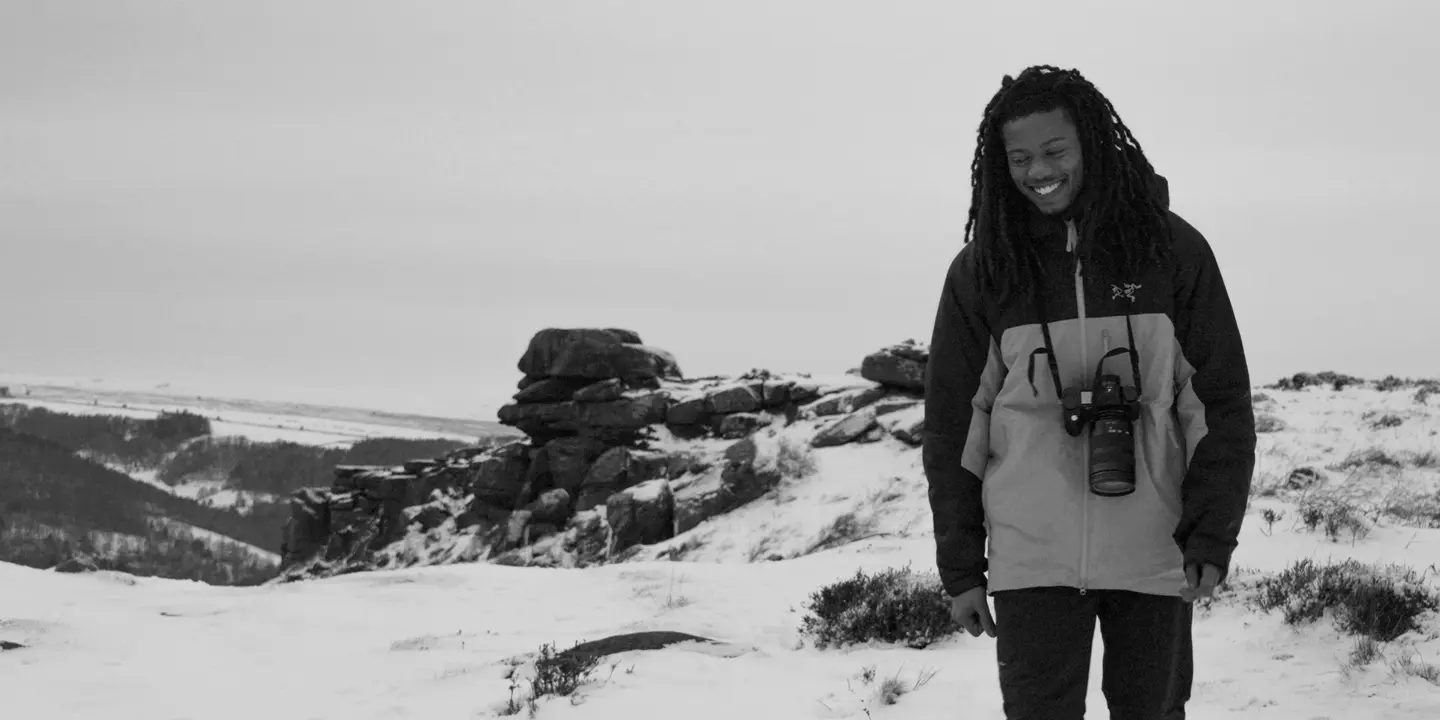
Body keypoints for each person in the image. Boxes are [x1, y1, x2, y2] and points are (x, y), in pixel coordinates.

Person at [923, 65, 1256, 720]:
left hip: (1154, 552)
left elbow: (1219, 405)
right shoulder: (986, 271)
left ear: (1092, 145)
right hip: (1032, 562)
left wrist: (1211, 535)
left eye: (1054, 151)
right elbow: (953, 433)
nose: (1036, 171)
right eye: (1019, 158)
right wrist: (962, 570)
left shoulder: (1171, 251)